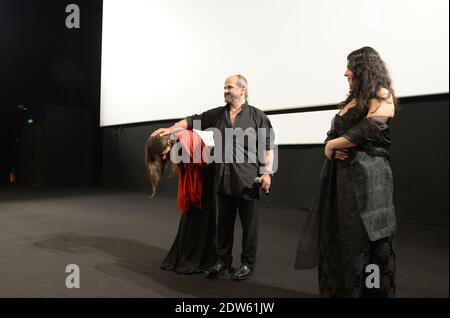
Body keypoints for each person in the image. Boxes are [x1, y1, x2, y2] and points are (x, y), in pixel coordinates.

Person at [295, 47, 397, 297]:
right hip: (339, 179)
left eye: (350, 67)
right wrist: (330, 147)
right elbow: (335, 134)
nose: (345, 73)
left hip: (367, 180)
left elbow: (371, 127)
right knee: (339, 235)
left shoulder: (382, 94)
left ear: (363, 68)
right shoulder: (352, 100)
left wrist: (333, 145)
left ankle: (365, 292)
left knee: (364, 237)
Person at [151, 75, 275, 280]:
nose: (225, 90)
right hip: (223, 180)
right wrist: (171, 129)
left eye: (229, 87)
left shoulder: (258, 116)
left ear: (242, 90)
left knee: (249, 226)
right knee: (223, 224)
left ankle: (247, 264)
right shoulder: (217, 115)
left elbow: (268, 147)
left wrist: (266, 173)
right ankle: (222, 262)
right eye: (224, 87)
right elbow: (191, 120)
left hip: (247, 180)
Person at [145, 129, 216, 274]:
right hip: (199, 183)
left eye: (163, 153)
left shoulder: (183, 141)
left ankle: (200, 258)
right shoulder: (178, 142)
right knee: (193, 217)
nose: (164, 158)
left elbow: (203, 161)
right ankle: (195, 258)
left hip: (205, 180)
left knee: (200, 217)